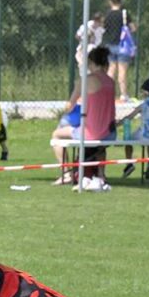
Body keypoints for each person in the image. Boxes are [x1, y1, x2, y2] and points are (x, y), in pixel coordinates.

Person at [50, 47, 115, 190]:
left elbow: (70, 105)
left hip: (90, 133)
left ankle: (66, 173)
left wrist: (66, 111)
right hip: (109, 133)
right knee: (100, 145)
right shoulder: (111, 82)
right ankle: (101, 174)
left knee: (56, 135)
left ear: (91, 63)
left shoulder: (86, 80)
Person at [116, 79, 149, 179]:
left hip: (144, 134)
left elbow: (129, 117)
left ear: (147, 92)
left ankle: (129, 163)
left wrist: (117, 124)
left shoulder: (144, 104)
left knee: (128, 140)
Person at [101, 0, 136, 102]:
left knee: (111, 70)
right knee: (122, 71)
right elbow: (133, 28)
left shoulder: (107, 15)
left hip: (110, 45)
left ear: (110, 2)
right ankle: (123, 95)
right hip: (123, 46)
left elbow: (103, 28)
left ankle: (109, 94)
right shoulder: (124, 14)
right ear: (121, 1)